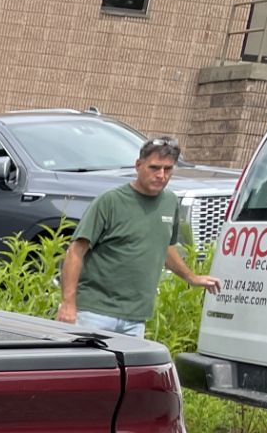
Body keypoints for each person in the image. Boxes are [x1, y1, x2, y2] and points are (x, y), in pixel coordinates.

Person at [57, 135, 220, 335]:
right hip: (94, 313)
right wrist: (68, 303)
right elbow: (75, 252)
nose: (161, 175)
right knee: (85, 367)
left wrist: (192, 278)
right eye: (154, 168)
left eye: (168, 169)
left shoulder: (169, 202)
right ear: (138, 165)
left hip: (136, 320)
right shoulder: (110, 201)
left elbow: (164, 248)